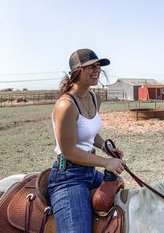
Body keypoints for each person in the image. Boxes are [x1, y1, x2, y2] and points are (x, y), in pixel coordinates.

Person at [47, 48, 125, 233]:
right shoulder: (66, 106)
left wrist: (106, 147)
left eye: (98, 65)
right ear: (77, 71)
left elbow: (89, 133)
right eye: (90, 66)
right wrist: (106, 162)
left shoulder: (94, 98)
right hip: (68, 177)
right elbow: (69, 152)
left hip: (89, 172)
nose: (96, 70)